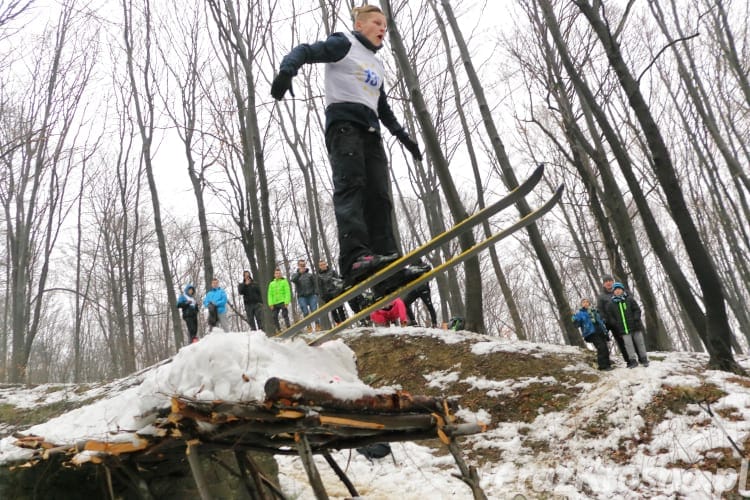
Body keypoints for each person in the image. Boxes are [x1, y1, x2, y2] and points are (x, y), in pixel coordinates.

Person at [271, 5, 427, 292]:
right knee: (351, 188)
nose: (383, 29)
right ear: (360, 25)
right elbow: (305, 50)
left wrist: (405, 138)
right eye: (378, 23)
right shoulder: (344, 43)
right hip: (344, 127)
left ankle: (390, 268)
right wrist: (286, 71)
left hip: (371, 132)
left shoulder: (377, 64)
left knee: (380, 197)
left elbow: (382, 107)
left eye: (386, 26)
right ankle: (355, 259)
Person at [605, 283, 649, 368]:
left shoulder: (629, 299)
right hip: (623, 329)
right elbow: (610, 317)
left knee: (640, 343)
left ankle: (644, 359)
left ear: (622, 290)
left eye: (619, 289)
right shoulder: (611, 304)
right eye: (615, 290)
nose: (617, 291)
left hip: (635, 326)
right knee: (628, 345)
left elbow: (637, 310)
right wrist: (615, 324)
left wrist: (636, 319)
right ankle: (633, 361)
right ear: (613, 292)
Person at [572, 298, 613, 371]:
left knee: (605, 348)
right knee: (601, 347)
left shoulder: (595, 311)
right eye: (584, 302)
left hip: (600, 331)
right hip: (591, 332)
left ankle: (608, 364)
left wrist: (604, 321)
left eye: (587, 302)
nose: (586, 303)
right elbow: (576, 324)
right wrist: (574, 319)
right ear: (581, 304)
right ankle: (602, 366)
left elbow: (601, 320)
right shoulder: (580, 313)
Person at [597, 275, 630, 365]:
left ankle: (633, 359)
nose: (608, 283)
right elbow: (600, 309)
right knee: (612, 342)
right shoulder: (601, 296)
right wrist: (605, 319)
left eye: (610, 280)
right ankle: (607, 363)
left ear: (613, 282)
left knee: (626, 341)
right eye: (606, 281)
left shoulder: (618, 291)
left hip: (621, 321)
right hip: (609, 323)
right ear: (603, 284)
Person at [290, 259, 319, 330]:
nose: (302, 266)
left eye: (303, 265)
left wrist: (316, 293)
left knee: (314, 310)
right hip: (301, 296)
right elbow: (293, 280)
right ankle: (308, 326)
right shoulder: (295, 275)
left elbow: (315, 284)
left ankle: (317, 325)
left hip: (311, 295)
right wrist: (299, 273)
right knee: (305, 311)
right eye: (301, 265)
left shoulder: (310, 275)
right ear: (298, 266)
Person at [317, 260, 348, 325]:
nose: (323, 266)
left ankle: (344, 321)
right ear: (319, 266)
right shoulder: (319, 276)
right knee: (332, 309)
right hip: (327, 295)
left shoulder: (332, 272)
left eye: (324, 264)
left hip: (335, 292)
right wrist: (322, 296)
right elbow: (320, 287)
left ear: (326, 264)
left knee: (340, 307)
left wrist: (338, 291)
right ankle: (338, 323)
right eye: (321, 265)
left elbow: (338, 281)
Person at [267, 268, 292, 332]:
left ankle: (288, 327)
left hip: (282, 301)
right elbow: (270, 294)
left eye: (279, 273)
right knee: (274, 316)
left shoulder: (284, 281)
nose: (277, 275)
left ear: (281, 274)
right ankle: (278, 329)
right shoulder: (271, 284)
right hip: (274, 303)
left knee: (285, 314)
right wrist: (270, 304)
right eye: (276, 273)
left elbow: (287, 292)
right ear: (274, 275)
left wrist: (287, 302)